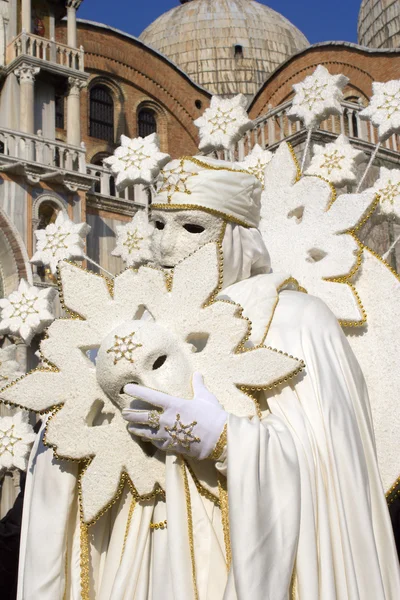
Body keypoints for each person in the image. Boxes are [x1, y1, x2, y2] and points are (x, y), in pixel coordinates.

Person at [16, 156, 400, 599]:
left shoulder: (293, 321)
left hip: (233, 558)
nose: (165, 247)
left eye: (192, 228)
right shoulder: (126, 322)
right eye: (157, 225)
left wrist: (221, 438)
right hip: (133, 553)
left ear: (239, 239)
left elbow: (329, 473)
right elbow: (74, 441)